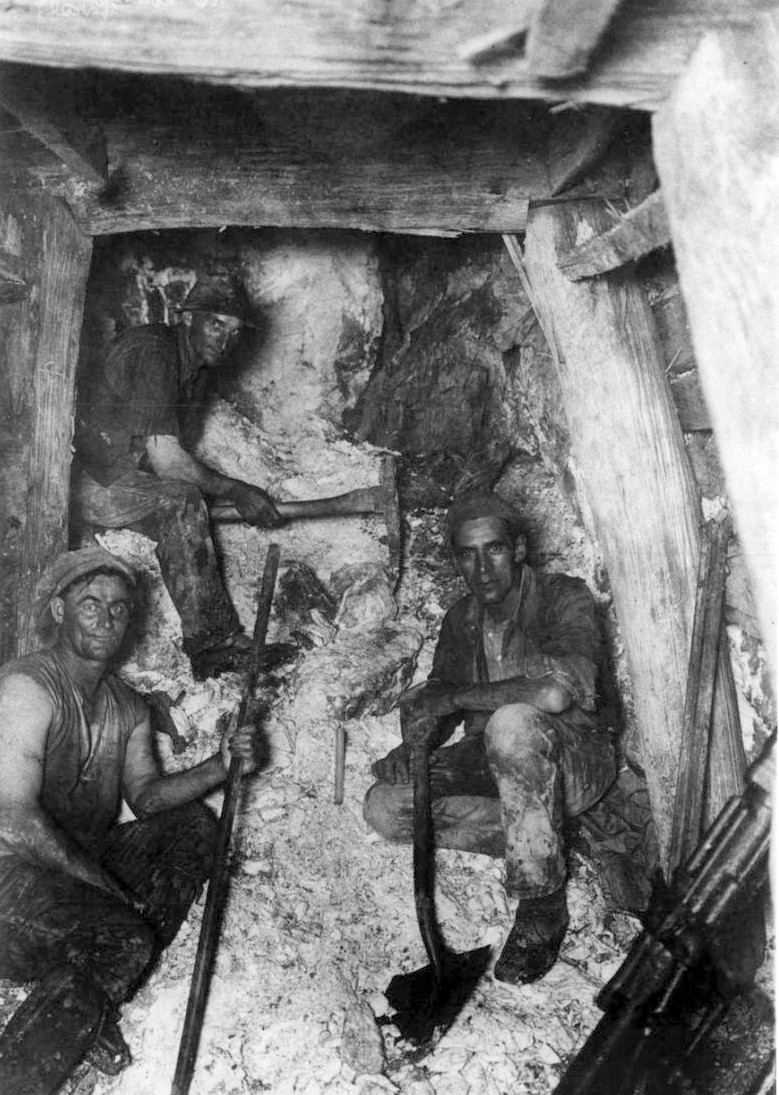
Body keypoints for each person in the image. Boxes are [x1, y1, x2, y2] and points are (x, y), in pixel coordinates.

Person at [0, 547, 258, 1094]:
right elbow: (13, 818)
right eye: (90, 603)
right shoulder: (27, 688)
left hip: (66, 885)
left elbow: (147, 798)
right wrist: (108, 890)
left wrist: (220, 766)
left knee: (194, 829)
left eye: (119, 608)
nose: (107, 617)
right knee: (122, 933)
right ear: (58, 611)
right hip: (9, 887)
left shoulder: (128, 706)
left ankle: (82, 994)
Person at [364, 490, 617, 985]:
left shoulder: (565, 597)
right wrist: (415, 742)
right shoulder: (461, 618)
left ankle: (543, 904)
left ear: (519, 549)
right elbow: (440, 693)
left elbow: (552, 694)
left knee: (512, 723)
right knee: (386, 808)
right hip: (493, 759)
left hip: (574, 756)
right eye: (466, 553)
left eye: (494, 548)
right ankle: (544, 840)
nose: (481, 568)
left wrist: (455, 700)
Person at [72, 276, 286, 680]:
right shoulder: (157, 352)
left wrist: (223, 495)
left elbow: (162, 459)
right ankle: (214, 646)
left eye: (235, 331)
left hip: (121, 474)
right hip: (85, 480)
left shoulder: (196, 371)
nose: (225, 339)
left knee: (189, 501)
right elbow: (168, 463)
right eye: (216, 324)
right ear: (188, 319)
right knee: (182, 500)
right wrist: (237, 490)